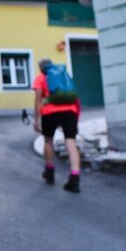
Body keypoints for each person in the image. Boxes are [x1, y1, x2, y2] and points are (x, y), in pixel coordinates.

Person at [33, 58, 82, 193]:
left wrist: (37, 120)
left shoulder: (41, 78)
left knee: (48, 140)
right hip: (70, 111)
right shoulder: (64, 75)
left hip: (50, 112)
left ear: (40, 68)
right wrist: (76, 117)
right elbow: (75, 97)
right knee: (71, 143)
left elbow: (38, 100)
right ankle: (75, 177)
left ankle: (49, 172)